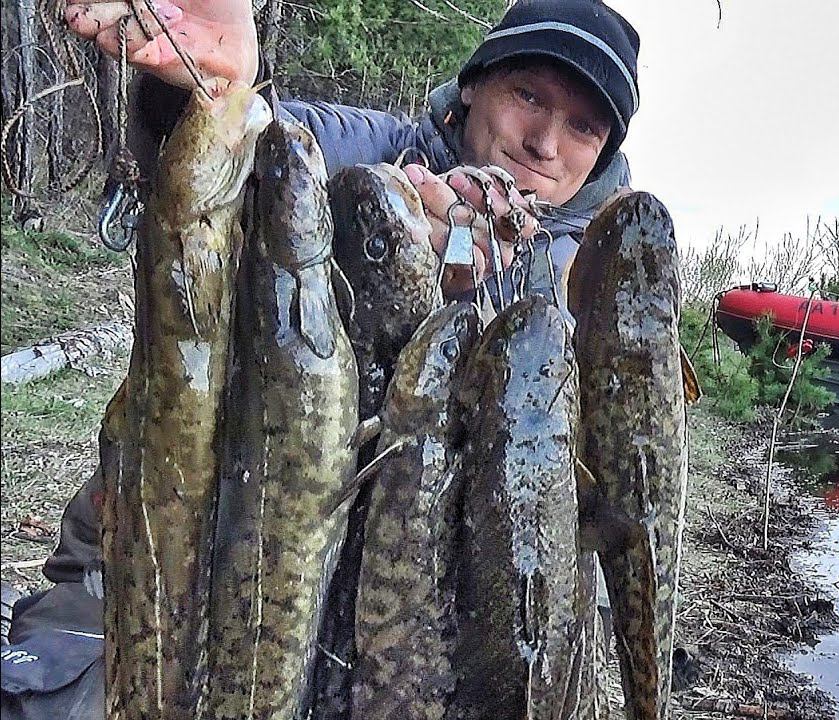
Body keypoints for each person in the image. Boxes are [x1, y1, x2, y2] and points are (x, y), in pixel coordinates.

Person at [0, 2, 640, 716]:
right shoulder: (362, 145)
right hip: (181, 551)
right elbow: (231, 158)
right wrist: (209, 88)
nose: (545, 142)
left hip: (392, 634)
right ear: (472, 85)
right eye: (529, 96)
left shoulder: (594, 286)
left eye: (583, 127)